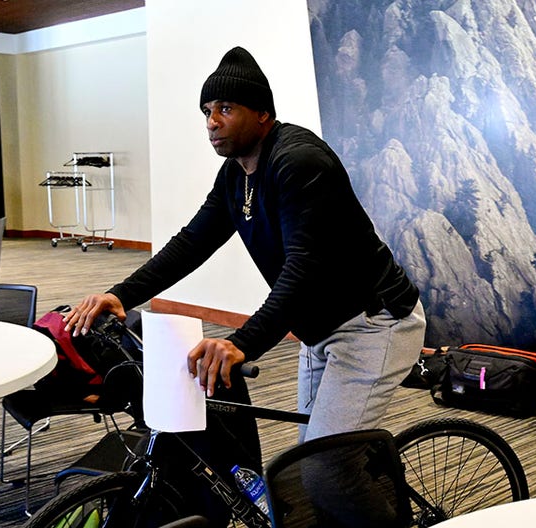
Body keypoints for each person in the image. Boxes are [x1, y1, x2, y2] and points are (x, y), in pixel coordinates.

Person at [65, 46, 426, 445]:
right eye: (206, 112)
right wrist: (120, 295)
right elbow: (192, 242)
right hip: (316, 327)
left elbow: (303, 267)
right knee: (309, 458)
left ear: (262, 114)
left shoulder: (300, 162)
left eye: (225, 108)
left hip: (372, 322)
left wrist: (242, 343)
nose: (212, 123)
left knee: (329, 465)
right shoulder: (235, 174)